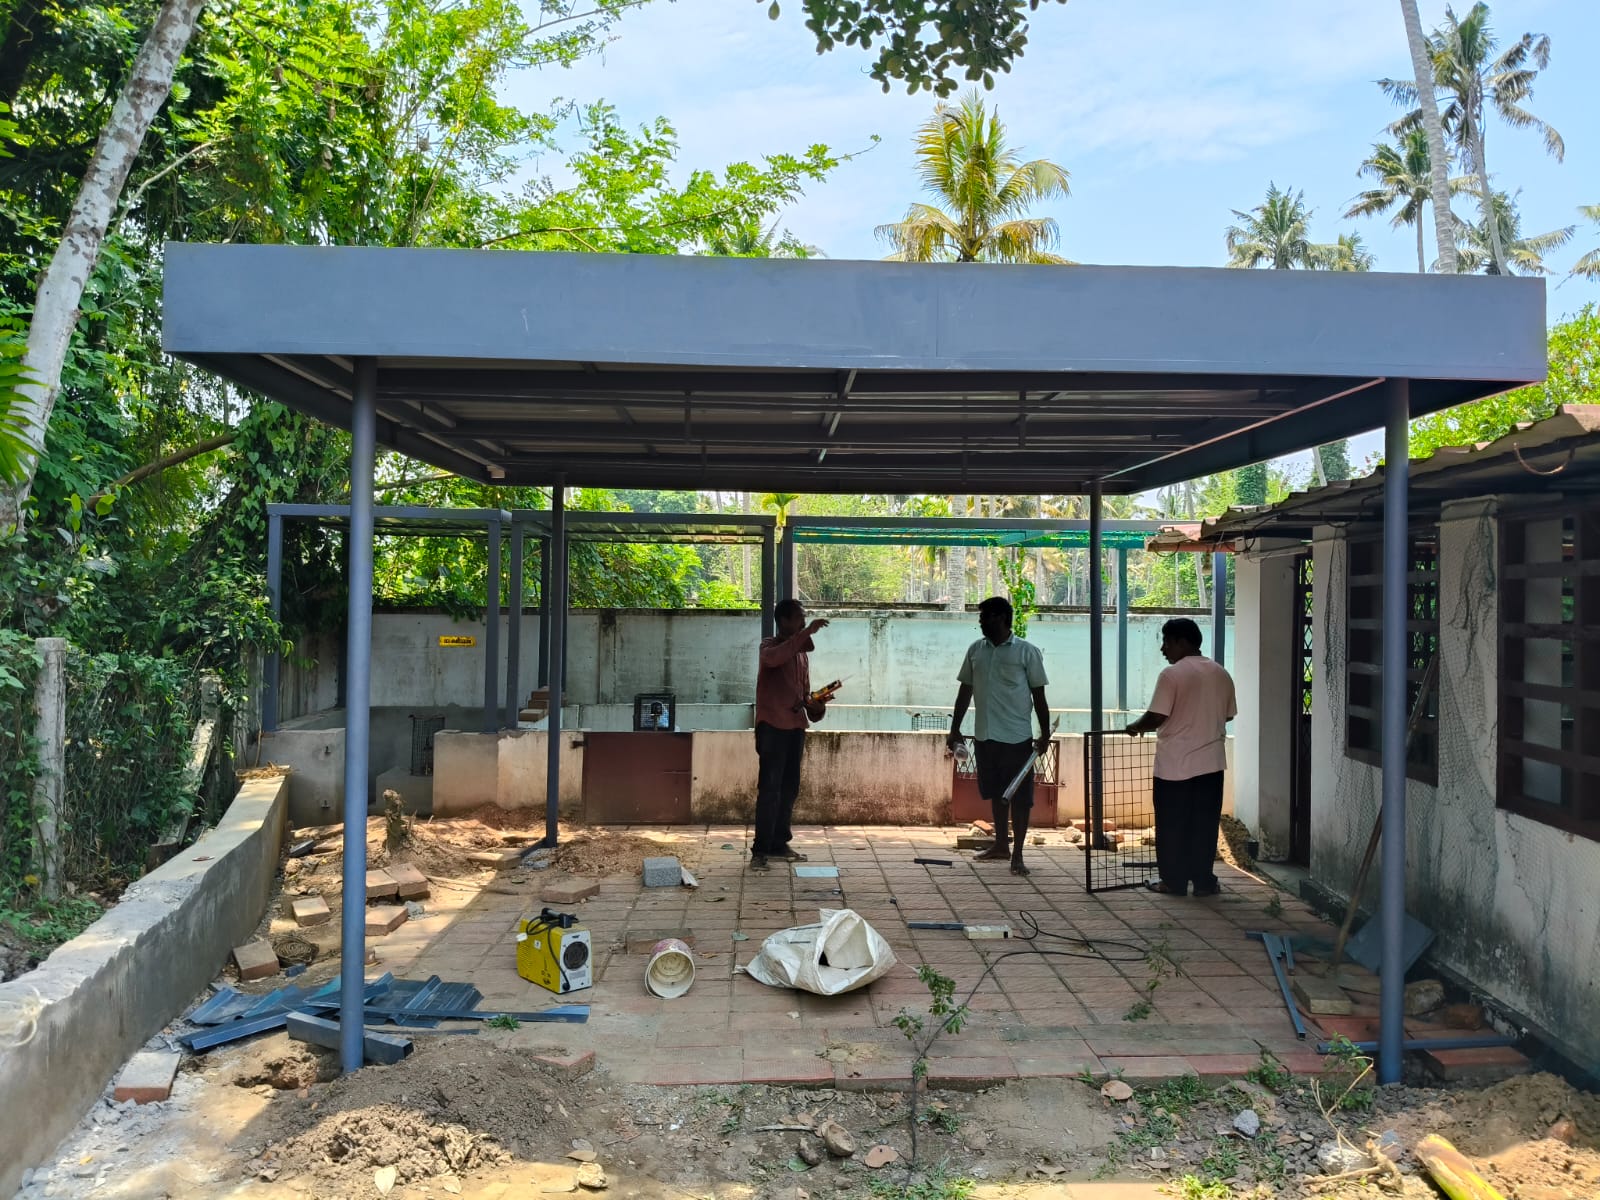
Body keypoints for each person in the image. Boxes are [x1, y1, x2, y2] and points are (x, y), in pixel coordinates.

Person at [1125, 617, 1237, 897]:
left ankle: (1173, 882)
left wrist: (1135, 726)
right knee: (1204, 826)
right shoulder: (1221, 673)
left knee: (1172, 826)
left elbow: (1156, 716)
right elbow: (1228, 715)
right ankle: (1203, 882)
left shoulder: (1172, 675)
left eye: (1166, 641)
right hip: (1211, 765)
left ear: (1182, 642)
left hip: (1175, 766)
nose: (1163, 648)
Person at [946, 596, 1052, 876]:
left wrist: (1044, 734)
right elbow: (965, 691)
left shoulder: (1027, 652)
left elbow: (1039, 696)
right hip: (985, 736)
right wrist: (955, 729)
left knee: (1019, 797)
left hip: (1017, 737)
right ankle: (1001, 845)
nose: (981, 622)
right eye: (981, 617)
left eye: (986, 617)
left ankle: (1018, 855)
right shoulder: (975, 650)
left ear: (1002, 618)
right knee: (996, 793)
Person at [751, 599, 831, 872]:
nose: (803, 622)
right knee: (770, 789)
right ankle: (761, 849)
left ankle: (779, 843)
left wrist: (817, 705)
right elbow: (774, 658)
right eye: (799, 618)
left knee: (789, 789)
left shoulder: (801, 655)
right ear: (783, 621)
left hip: (795, 726)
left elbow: (804, 696)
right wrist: (807, 632)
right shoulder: (769, 646)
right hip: (772, 727)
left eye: (804, 618)